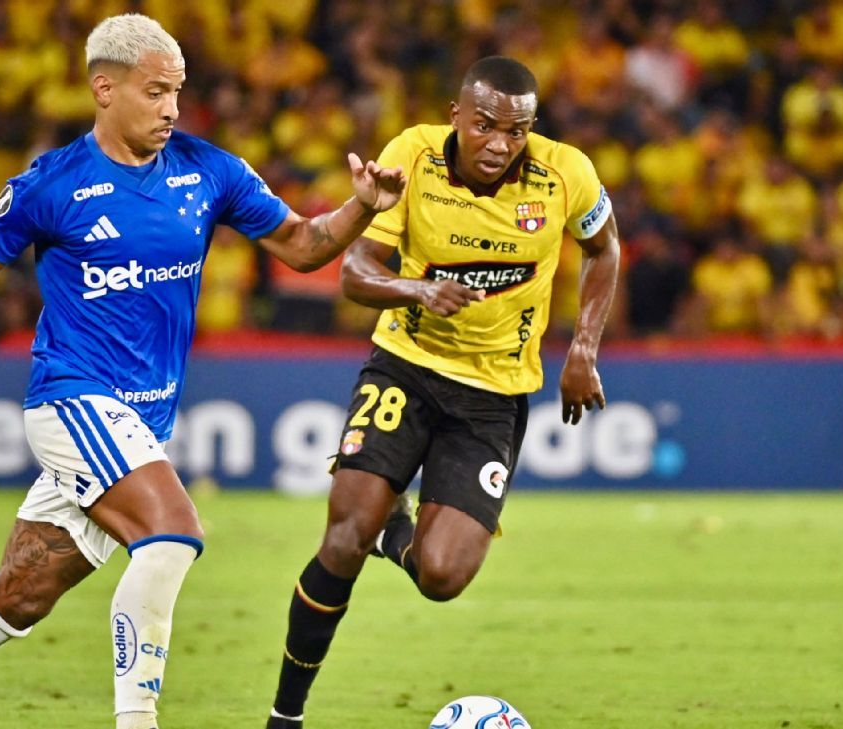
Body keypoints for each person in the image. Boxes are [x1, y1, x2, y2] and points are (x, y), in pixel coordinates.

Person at [0, 13, 404, 729]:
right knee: (173, 533)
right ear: (105, 89)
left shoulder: (210, 170)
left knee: (22, 592)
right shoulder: (52, 183)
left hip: (140, 424)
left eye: (178, 92)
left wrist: (361, 207)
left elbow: (303, 243)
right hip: (72, 401)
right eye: (155, 91)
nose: (172, 108)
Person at [264, 56, 621, 729]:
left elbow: (604, 248)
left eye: (515, 131)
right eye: (484, 125)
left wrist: (583, 349)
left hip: (493, 392)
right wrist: (418, 289)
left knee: (442, 576)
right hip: (406, 365)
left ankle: (391, 530)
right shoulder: (414, 155)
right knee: (342, 538)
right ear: (456, 115)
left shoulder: (566, 172)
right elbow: (355, 272)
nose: (498, 143)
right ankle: (285, 716)